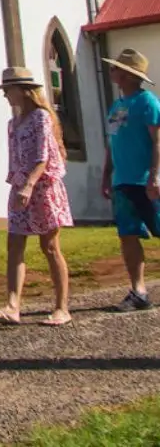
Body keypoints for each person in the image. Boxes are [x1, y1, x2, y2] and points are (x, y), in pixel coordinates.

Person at [0, 67, 73, 326]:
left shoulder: (41, 118)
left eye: (8, 90)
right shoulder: (14, 124)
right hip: (21, 186)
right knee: (15, 244)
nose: (5, 96)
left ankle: (62, 307)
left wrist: (30, 184)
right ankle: (13, 306)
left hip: (43, 186)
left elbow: (42, 156)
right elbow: (16, 158)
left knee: (50, 246)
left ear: (23, 90)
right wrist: (17, 185)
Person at [101, 47, 160, 312]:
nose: (112, 71)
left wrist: (155, 176)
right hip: (122, 181)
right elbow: (112, 142)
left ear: (127, 74)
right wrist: (106, 175)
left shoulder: (148, 103)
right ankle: (138, 291)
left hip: (144, 180)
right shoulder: (116, 106)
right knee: (128, 235)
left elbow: (157, 141)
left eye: (115, 68)